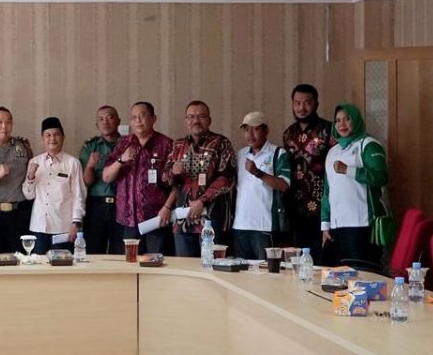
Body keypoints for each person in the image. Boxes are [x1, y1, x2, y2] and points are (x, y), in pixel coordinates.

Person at [163, 100, 236, 256]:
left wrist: (201, 201)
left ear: (209, 120)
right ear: (186, 120)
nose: (196, 120)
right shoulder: (178, 145)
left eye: (201, 116)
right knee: (185, 268)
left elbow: (227, 179)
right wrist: (173, 172)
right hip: (183, 220)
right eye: (191, 117)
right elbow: (166, 179)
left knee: (212, 266)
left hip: (212, 219)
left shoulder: (221, 143)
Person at [321, 104, 390, 267]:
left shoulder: (368, 145)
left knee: (363, 273)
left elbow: (380, 177)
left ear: (356, 120)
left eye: (347, 119)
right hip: (337, 226)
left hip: (363, 224)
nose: (342, 124)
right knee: (339, 275)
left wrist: (348, 170)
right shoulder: (332, 152)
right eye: (338, 120)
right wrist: (325, 226)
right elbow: (327, 191)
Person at [102, 102, 174, 254]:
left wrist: (167, 207)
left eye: (142, 116)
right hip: (128, 220)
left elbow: (178, 184)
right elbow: (106, 177)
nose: (137, 121)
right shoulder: (123, 143)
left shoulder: (166, 144)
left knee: (156, 262)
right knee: (131, 263)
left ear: (153, 119)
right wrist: (122, 159)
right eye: (134, 117)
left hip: (157, 218)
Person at [282, 84, 335, 261]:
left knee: (322, 258)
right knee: (298, 260)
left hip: (323, 204)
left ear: (316, 104)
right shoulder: (288, 133)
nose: (301, 108)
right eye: (297, 103)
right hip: (295, 206)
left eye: (307, 103)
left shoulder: (328, 130)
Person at [232, 112, 292, 260]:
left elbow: (284, 185)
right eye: (247, 129)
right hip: (240, 226)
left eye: (256, 129)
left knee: (265, 270)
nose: (250, 134)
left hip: (265, 226)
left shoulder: (278, 153)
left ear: (266, 130)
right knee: (242, 271)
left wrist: (258, 173)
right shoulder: (240, 154)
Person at [22, 117, 86, 254]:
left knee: (62, 265)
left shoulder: (73, 163)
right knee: (38, 264)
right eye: (48, 135)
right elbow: (28, 195)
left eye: (56, 134)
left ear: (63, 137)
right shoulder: (34, 162)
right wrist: (30, 176)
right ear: (42, 139)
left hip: (63, 228)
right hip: (39, 227)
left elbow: (79, 195)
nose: (52, 138)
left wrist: (76, 223)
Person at [0, 107, 33, 254]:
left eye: (8, 122)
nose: (4, 126)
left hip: (19, 213)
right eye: (0, 122)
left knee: (22, 257)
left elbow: (31, 176)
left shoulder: (23, 146)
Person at [79, 106, 124, 255]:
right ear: (97, 124)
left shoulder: (128, 144)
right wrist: (90, 166)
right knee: (93, 250)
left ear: (118, 121)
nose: (105, 122)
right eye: (101, 119)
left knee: (120, 251)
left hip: (122, 203)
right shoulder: (90, 146)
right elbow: (86, 182)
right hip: (96, 204)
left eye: (110, 117)